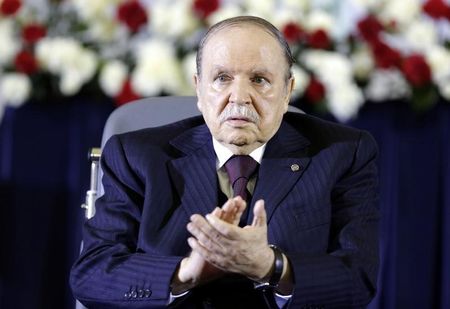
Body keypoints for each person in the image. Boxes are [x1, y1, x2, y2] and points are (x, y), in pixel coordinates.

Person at [70, 16, 379, 308]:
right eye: (222, 78)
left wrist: (272, 267)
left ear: (287, 92)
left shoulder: (343, 154)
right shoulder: (137, 155)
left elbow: (357, 277)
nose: (239, 97)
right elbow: (93, 273)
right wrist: (184, 273)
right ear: (199, 89)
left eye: (259, 80)